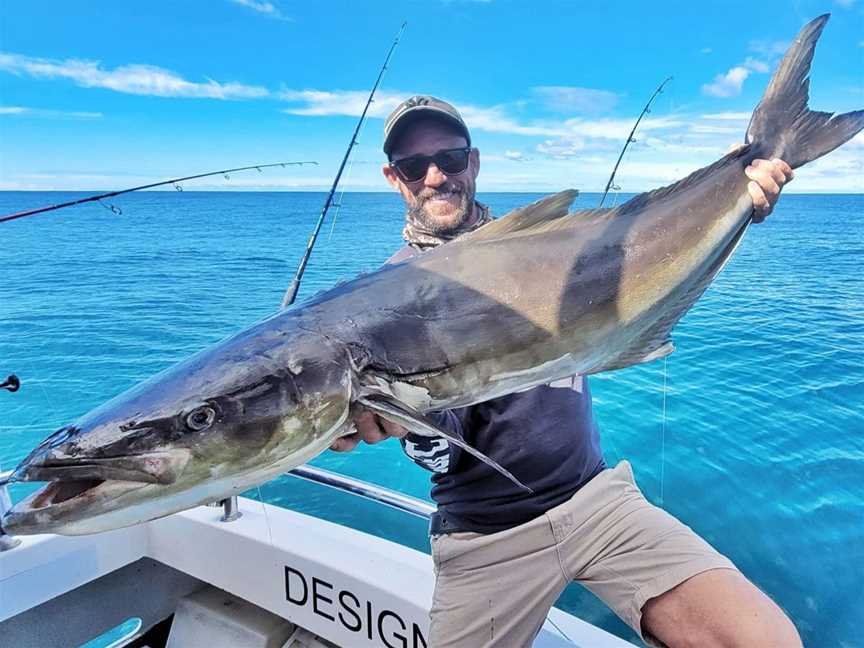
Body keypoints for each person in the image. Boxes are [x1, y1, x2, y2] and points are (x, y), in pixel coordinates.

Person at [331, 95, 800, 648]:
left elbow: (648, 246)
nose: (436, 176)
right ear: (394, 178)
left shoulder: (549, 244)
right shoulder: (382, 301)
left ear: (473, 163)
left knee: (763, 640)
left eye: (451, 159)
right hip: (486, 535)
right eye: (414, 166)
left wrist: (734, 183)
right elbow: (448, 449)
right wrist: (406, 425)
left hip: (596, 500)